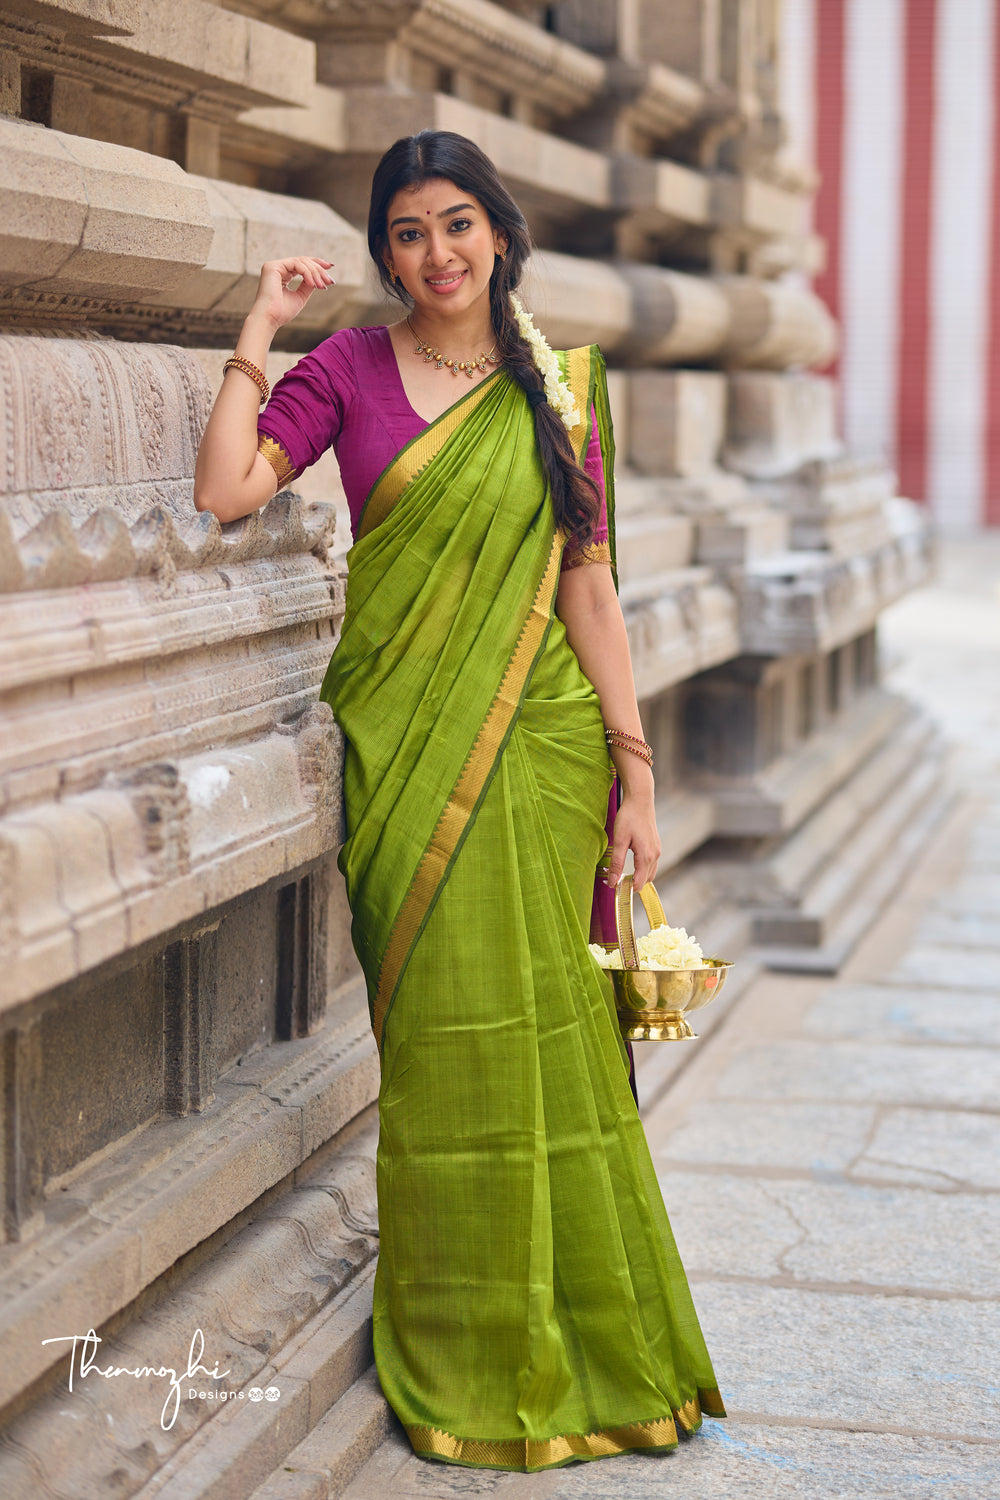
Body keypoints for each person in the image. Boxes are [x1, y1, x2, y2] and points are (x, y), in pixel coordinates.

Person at [193, 129, 725, 1474]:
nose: (436, 253)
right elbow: (224, 492)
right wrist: (259, 323)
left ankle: (592, 1342)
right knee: (441, 1053)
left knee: (550, 1037)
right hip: (404, 754)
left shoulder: (561, 388)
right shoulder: (352, 370)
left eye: (457, 224)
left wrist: (636, 775)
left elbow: (591, 589)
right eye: (409, 233)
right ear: (385, 253)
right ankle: (463, 1336)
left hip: (546, 750)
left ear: (498, 231)